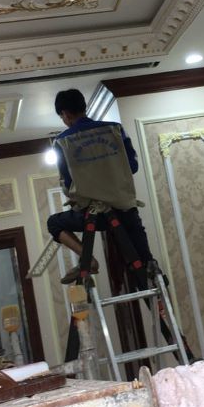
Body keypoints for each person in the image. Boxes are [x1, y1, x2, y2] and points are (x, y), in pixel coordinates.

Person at [48, 89, 155, 283]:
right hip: (125, 210)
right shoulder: (115, 129)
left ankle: (88, 260)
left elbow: (68, 185)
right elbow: (133, 166)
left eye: (62, 116)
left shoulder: (62, 142)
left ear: (65, 113)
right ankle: (152, 272)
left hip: (92, 216)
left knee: (54, 223)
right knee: (145, 265)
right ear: (84, 106)